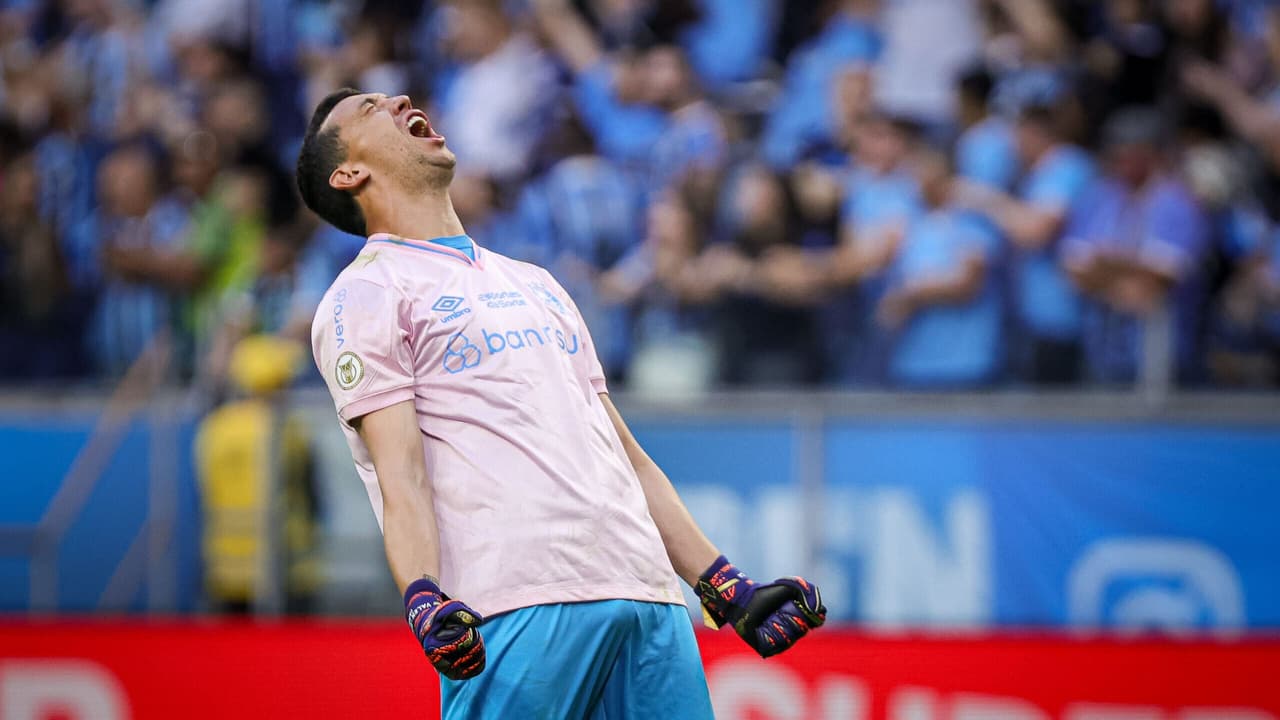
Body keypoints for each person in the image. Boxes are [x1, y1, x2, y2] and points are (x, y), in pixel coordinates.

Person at [294, 88, 826, 718]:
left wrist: (723, 586)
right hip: (516, 606)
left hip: (646, 599)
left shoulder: (537, 283)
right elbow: (400, 474)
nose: (398, 97)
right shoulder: (365, 295)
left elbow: (624, 455)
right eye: (369, 107)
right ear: (350, 172)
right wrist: (422, 596)